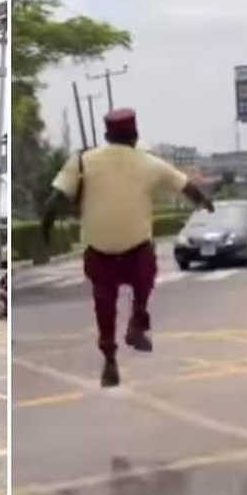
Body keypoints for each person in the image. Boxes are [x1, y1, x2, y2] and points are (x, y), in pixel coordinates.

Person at [42, 109, 214, 388]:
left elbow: (54, 199)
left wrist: (45, 229)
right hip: (136, 251)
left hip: (99, 253)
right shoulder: (149, 163)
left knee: (104, 306)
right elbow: (187, 187)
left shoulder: (83, 161)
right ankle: (138, 320)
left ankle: (110, 361)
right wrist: (205, 203)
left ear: (107, 135)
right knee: (145, 278)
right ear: (135, 136)